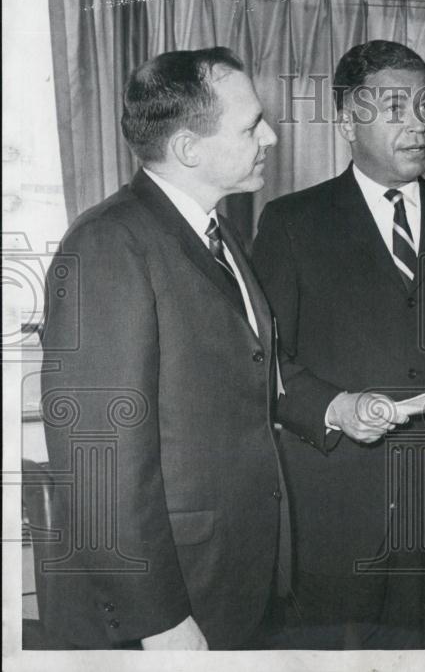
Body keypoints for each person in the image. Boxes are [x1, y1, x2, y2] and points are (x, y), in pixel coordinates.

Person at [251, 39, 425, 649]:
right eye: (396, 109)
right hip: (337, 521)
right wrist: (333, 406)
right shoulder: (291, 223)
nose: (418, 126)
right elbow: (265, 364)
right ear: (348, 122)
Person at [39, 47, 285, 650]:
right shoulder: (107, 243)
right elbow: (97, 456)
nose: (271, 138)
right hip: (171, 598)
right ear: (188, 149)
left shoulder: (214, 230)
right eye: (251, 126)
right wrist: (158, 620)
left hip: (226, 574)